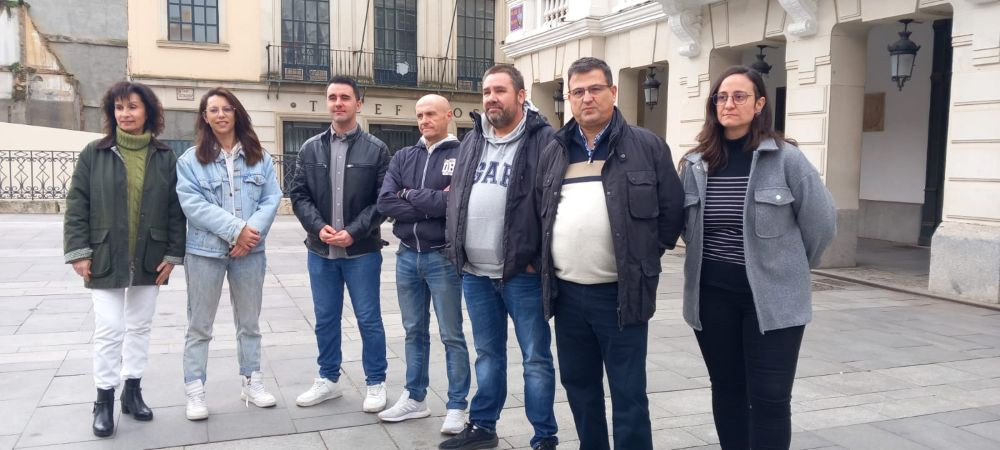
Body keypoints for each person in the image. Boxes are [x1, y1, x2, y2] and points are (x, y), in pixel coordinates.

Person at [679, 65, 837, 449]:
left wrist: (787, 268)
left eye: (739, 96)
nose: (728, 104)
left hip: (773, 301)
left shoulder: (786, 159)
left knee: (769, 397)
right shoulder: (697, 163)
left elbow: (822, 224)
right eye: (721, 97)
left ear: (760, 103)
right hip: (712, 298)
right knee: (728, 390)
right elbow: (688, 226)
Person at [536, 57, 684, 450]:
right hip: (567, 295)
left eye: (595, 89)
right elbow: (540, 210)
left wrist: (642, 256)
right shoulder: (554, 149)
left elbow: (672, 211)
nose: (587, 98)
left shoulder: (646, 145)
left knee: (628, 391)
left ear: (613, 92)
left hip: (621, 294)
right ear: (569, 97)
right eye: (578, 91)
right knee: (580, 387)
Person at [440, 64, 558, 450]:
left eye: (500, 90)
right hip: (475, 274)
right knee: (487, 355)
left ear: (521, 95)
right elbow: (457, 196)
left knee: (535, 359)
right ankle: (484, 427)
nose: (492, 98)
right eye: (487, 90)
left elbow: (552, 207)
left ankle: (544, 437)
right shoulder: (473, 139)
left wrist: (536, 261)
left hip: (522, 276)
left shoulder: (545, 141)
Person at [63, 81, 186, 437]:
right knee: (110, 328)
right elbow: (76, 205)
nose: (125, 114)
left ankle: (132, 392)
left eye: (132, 107)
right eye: (119, 108)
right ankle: (104, 399)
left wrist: (173, 255)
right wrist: (79, 252)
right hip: (103, 255)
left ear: (147, 111)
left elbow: (176, 211)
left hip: (151, 255)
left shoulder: (165, 156)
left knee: (140, 326)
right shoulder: (94, 153)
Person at [175, 87, 283, 420]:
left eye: (226, 109)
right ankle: (195, 390)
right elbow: (193, 205)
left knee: (249, 322)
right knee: (199, 325)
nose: (220, 115)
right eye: (213, 110)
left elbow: (271, 198)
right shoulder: (190, 161)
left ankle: (252, 380)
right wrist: (236, 230)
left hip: (250, 253)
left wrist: (249, 236)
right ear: (204, 118)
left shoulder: (259, 157)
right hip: (204, 253)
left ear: (237, 113)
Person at [288, 76, 391, 413]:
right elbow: (299, 195)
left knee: (368, 319)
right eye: (332, 97)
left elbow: (382, 201)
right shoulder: (310, 148)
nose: (338, 103)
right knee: (325, 318)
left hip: (361, 252)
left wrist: (354, 232)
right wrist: (319, 229)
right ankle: (328, 379)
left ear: (358, 103)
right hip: (321, 252)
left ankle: (376, 382)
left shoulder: (376, 149)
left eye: (345, 97)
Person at [375, 94, 471, 433]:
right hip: (406, 256)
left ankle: (458, 405)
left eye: (431, 113)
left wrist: (409, 195)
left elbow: (456, 202)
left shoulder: (462, 154)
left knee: (451, 334)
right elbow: (386, 201)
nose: (424, 120)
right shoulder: (403, 155)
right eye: (419, 115)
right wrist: (433, 201)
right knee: (414, 331)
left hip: (442, 255)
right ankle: (415, 398)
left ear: (448, 116)